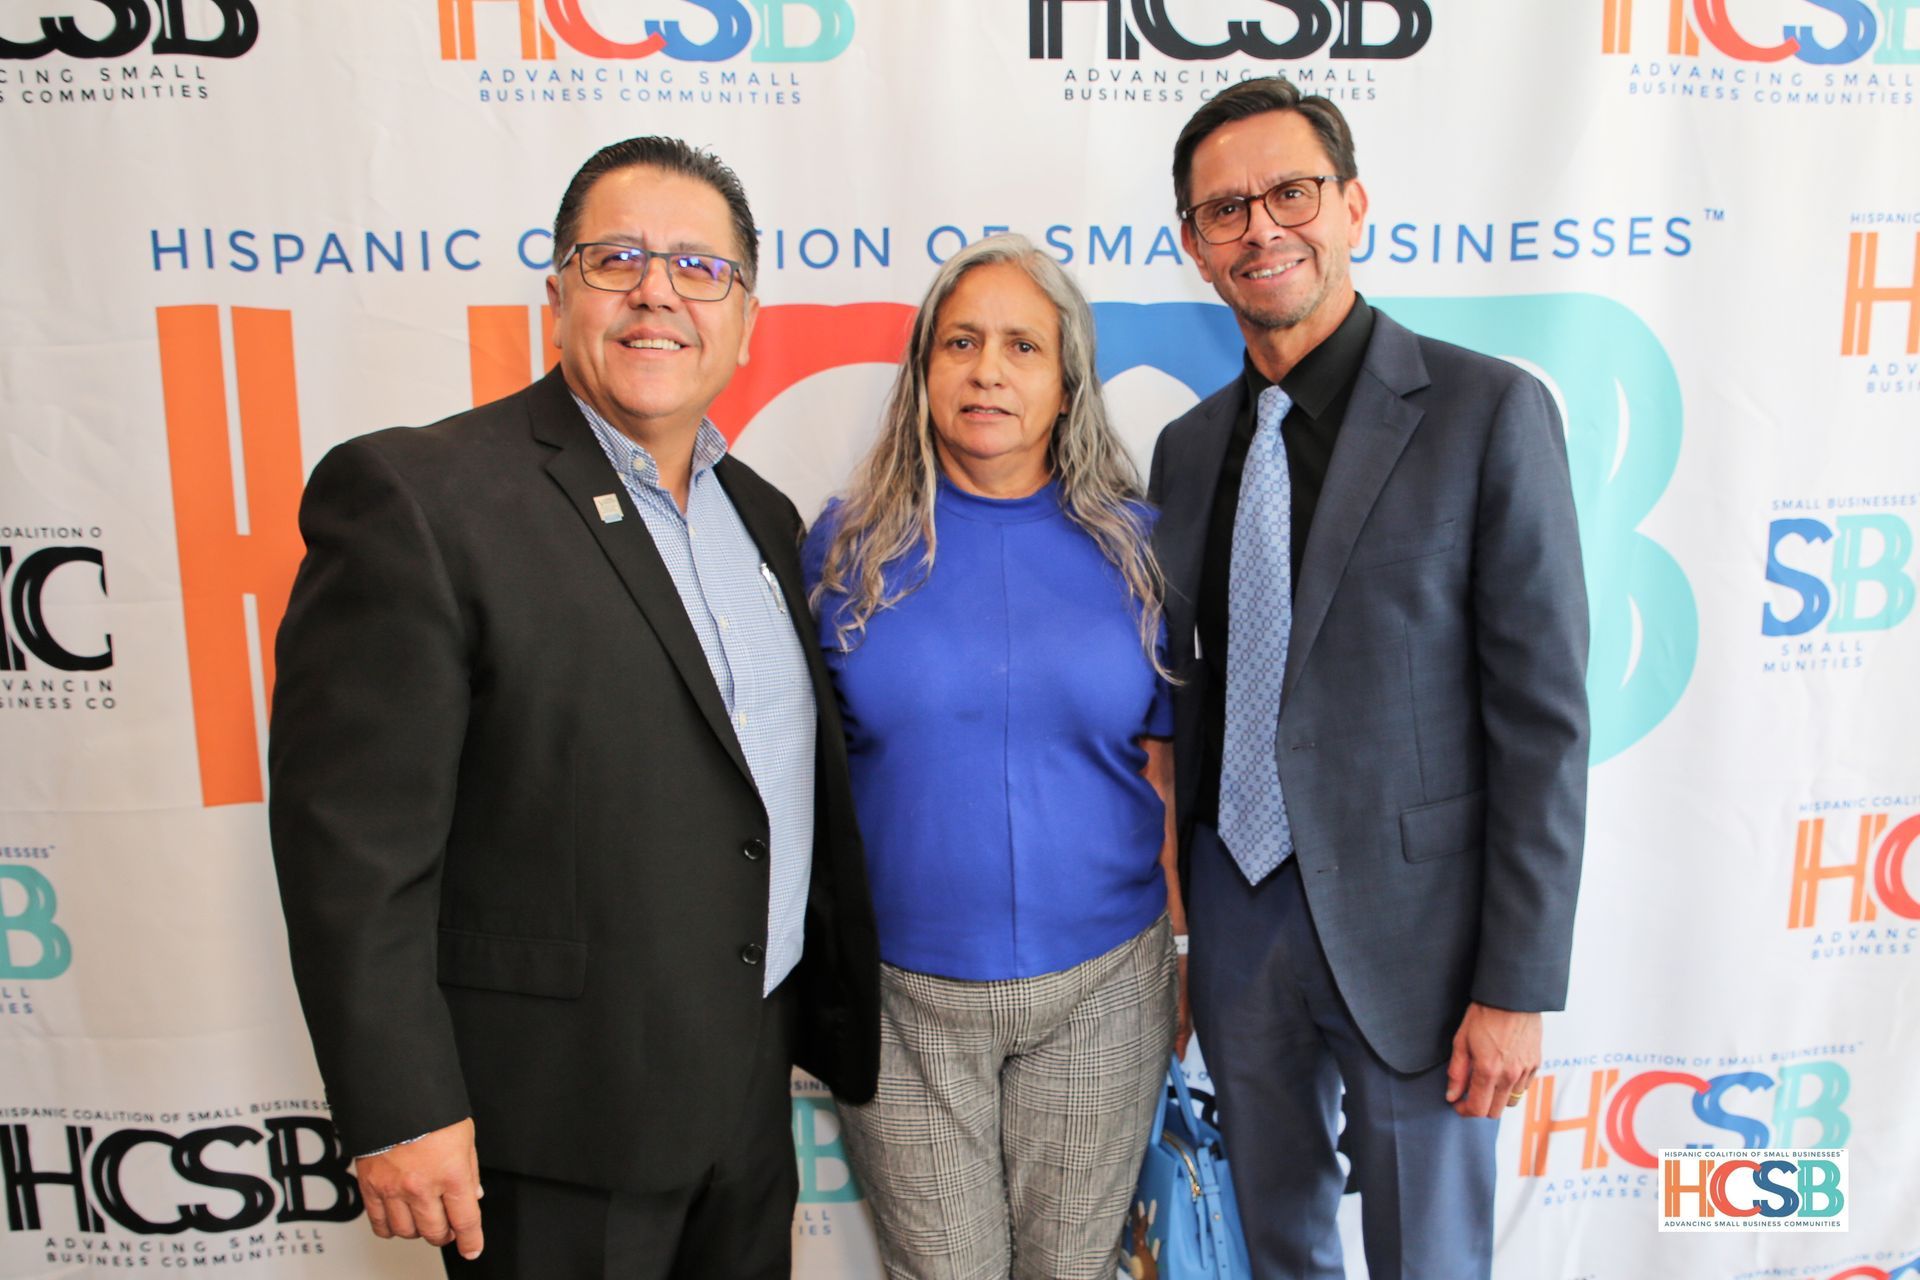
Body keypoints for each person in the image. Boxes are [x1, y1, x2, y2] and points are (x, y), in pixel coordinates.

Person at [266, 136, 878, 1280]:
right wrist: (401, 1104)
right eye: (618, 258)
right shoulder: (420, 496)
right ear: (557, 294)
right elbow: (351, 845)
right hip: (551, 1125)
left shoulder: (766, 517)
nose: (658, 290)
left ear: (746, 318)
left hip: (745, 1104)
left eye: (700, 269)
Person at [1149, 78, 1590, 1278]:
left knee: (1430, 1257)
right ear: (1195, 243)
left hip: (1424, 943)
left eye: (1290, 192)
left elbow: (1543, 721)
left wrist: (1516, 983)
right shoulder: (1188, 453)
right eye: (1225, 208)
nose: (1261, 227)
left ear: (1352, 205)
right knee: (1274, 1247)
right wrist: (1187, 940)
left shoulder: (1486, 410)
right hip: (1239, 925)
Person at [802, 233, 1183, 1280]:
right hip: (899, 994)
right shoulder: (841, 550)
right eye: (960, 341)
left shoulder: (1142, 552)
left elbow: (1169, 769)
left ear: (1067, 382)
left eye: (1023, 346)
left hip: (1104, 983)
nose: (987, 369)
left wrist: (1192, 960)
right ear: (924, 369)